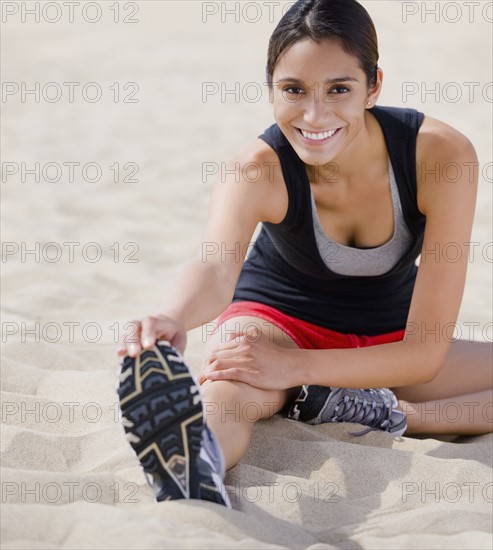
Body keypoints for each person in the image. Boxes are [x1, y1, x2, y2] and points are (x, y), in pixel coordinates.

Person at [116, 0, 492, 508]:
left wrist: (298, 369)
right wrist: (172, 315)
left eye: (339, 89)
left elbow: (424, 353)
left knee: (283, 376)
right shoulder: (256, 169)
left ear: (374, 86)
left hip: (391, 344)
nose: (315, 115)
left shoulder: (442, 156)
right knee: (235, 386)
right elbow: (214, 263)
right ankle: (194, 464)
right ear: (271, 88)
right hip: (278, 323)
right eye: (293, 90)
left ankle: (383, 412)